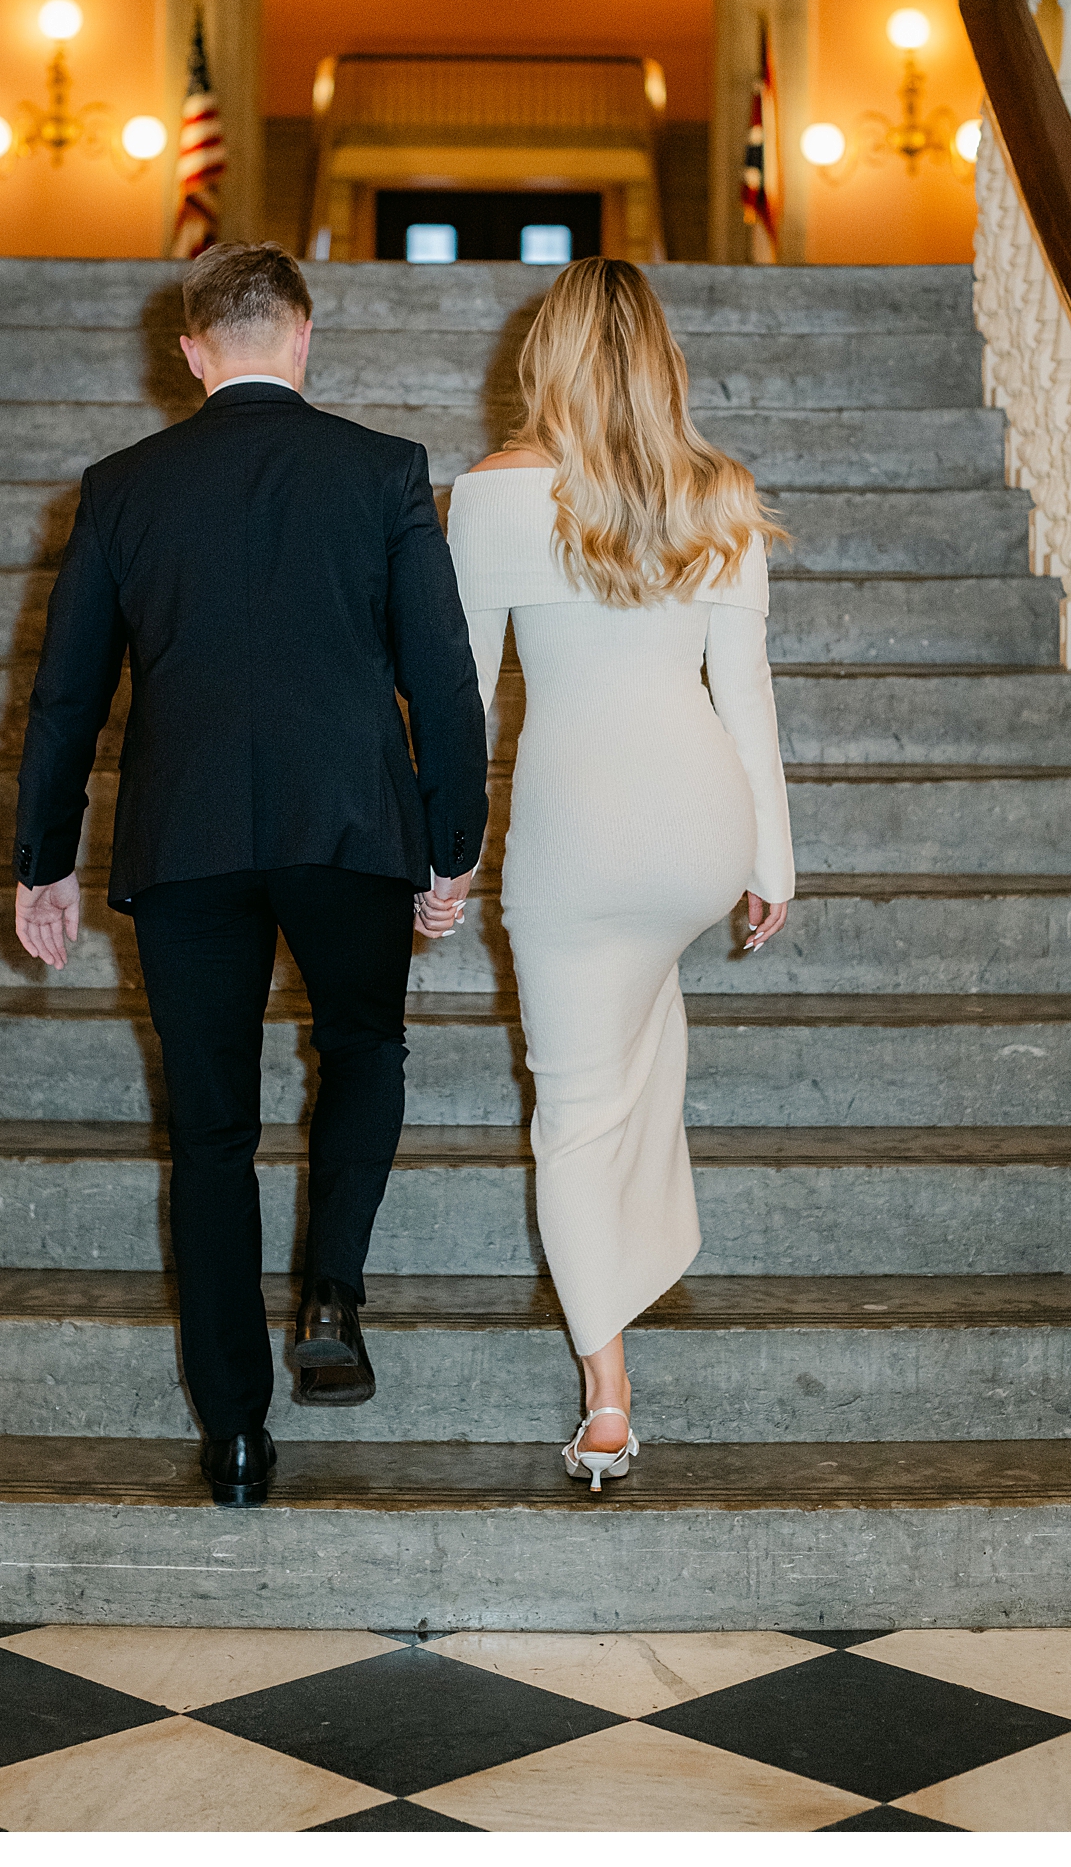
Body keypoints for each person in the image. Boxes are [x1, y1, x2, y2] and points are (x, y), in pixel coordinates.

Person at [11, 242, 487, 1509]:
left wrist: (43, 862)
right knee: (364, 1047)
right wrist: (453, 842)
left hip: (187, 841)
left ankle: (233, 1433)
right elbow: (441, 674)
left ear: (191, 350)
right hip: (349, 826)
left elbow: (66, 700)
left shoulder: (120, 488)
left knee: (209, 1136)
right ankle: (332, 1282)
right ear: (305, 336)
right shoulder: (383, 471)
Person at [448, 257, 795, 1491]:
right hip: (698, 828)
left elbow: (461, 707)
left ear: (544, 355)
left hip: (577, 838)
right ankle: (647, 1251)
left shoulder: (488, 498)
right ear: (661, 360)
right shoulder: (721, 495)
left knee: (577, 1109)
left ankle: (607, 1392)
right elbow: (742, 692)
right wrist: (770, 858)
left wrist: (443, 860)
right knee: (646, 1031)